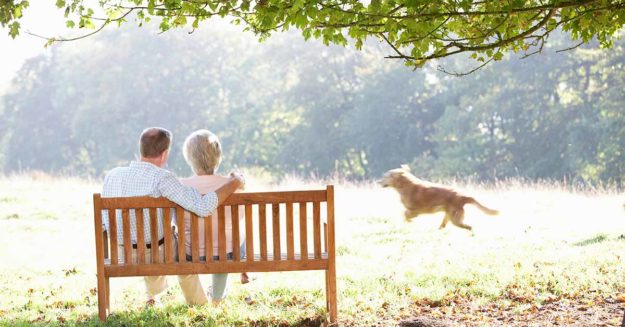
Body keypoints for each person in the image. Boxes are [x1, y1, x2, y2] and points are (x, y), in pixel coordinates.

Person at [102, 127, 244, 306]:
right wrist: (235, 182)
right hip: (157, 253)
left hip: (120, 253)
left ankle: (152, 295)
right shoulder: (163, 178)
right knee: (178, 246)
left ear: (141, 149)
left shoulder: (112, 175)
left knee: (155, 238)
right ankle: (198, 304)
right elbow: (202, 207)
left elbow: (103, 221)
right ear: (165, 154)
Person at [179, 129, 250, 304]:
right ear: (218, 157)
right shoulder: (232, 185)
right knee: (227, 240)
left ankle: (199, 299)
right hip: (227, 253)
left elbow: (175, 221)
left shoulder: (180, 186)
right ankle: (217, 297)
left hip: (191, 252)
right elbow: (239, 218)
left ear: (189, 158)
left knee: (217, 241)